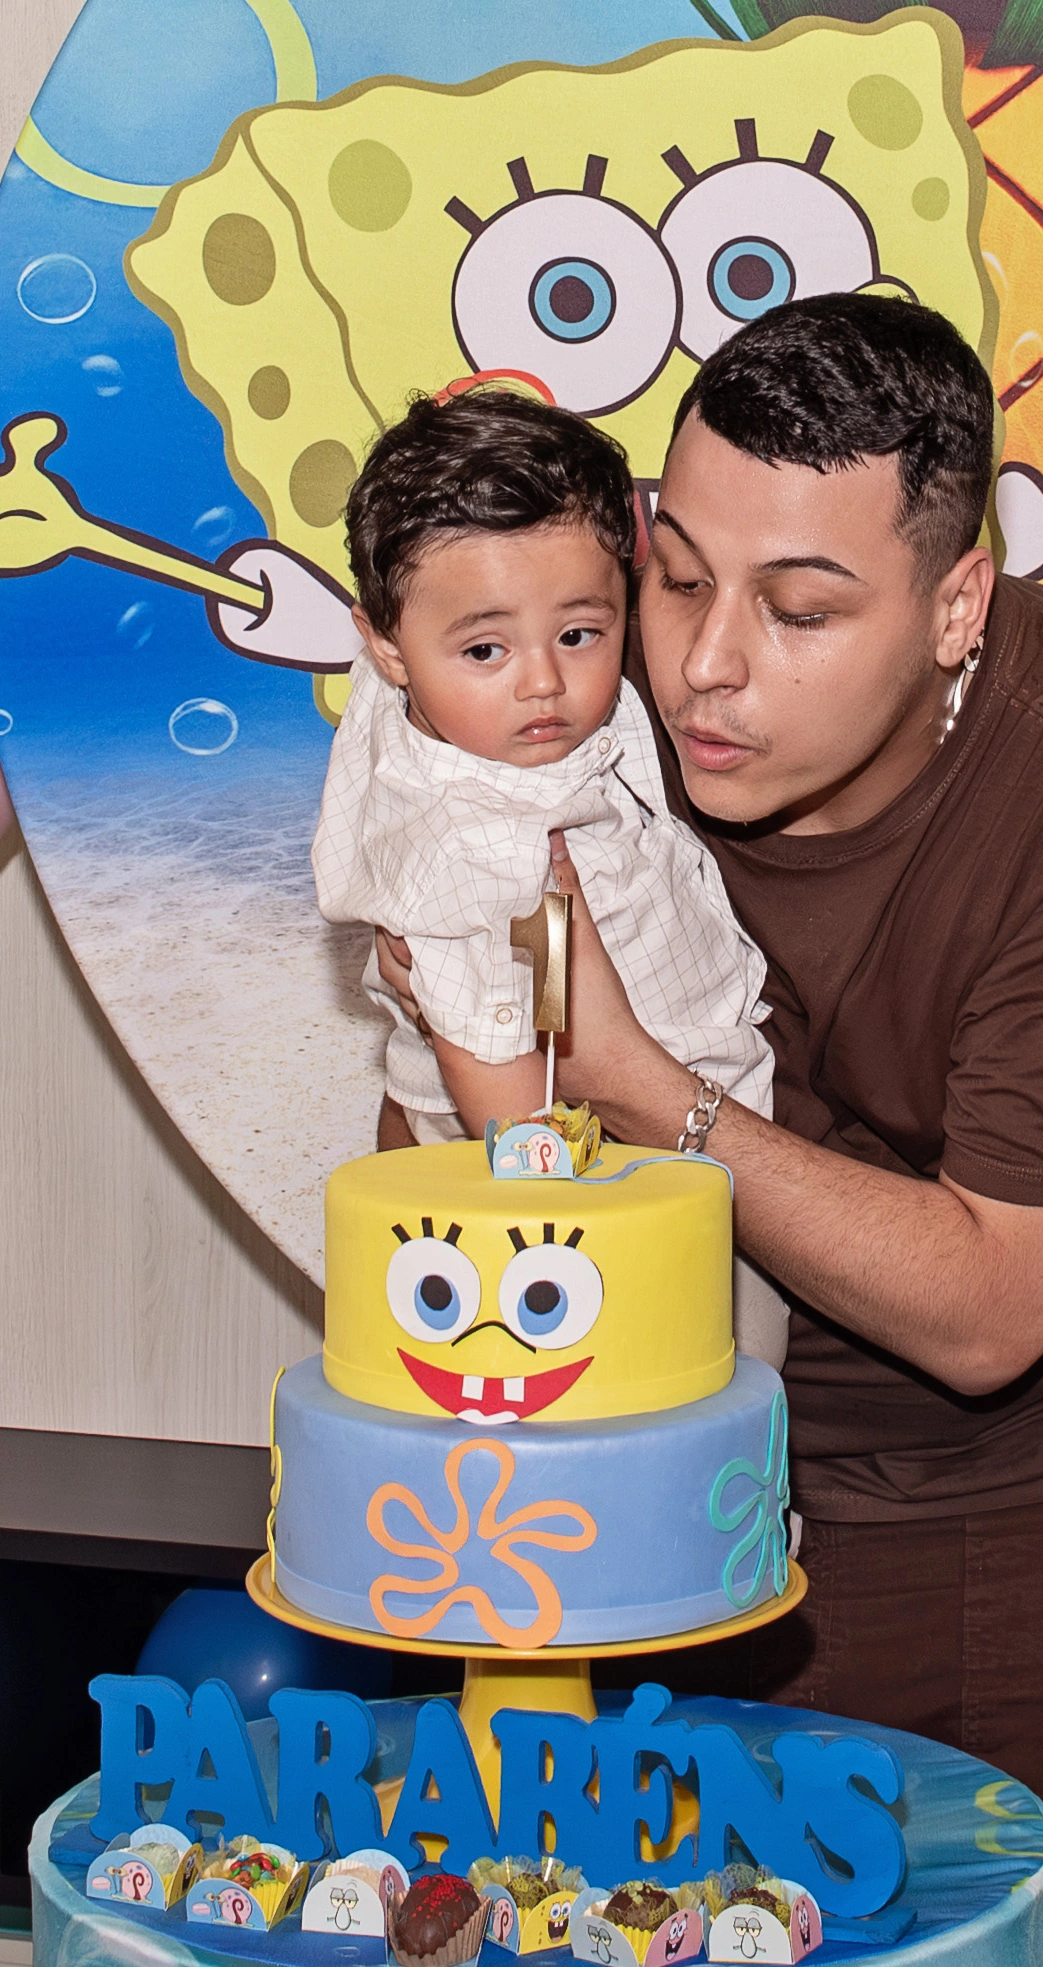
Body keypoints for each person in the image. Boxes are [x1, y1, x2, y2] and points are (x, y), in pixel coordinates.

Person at [382, 294, 1043, 1967]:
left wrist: (641, 1086)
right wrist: (462, 1041)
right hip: (680, 1460)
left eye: (799, 609)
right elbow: (462, 1179)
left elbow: (994, 1310)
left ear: (955, 607)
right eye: (680, 573)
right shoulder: (579, 691)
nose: (704, 664)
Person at [310, 389, 787, 1360]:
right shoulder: (467, 847)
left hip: (677, 1115)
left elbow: (551, 974)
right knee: (701, 1385)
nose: (541, 682)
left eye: (579, 633)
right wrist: (574, 1236)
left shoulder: (476, 721)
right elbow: (502, 1088)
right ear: (385, 646)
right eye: (484, 649)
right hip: (589, 1190)